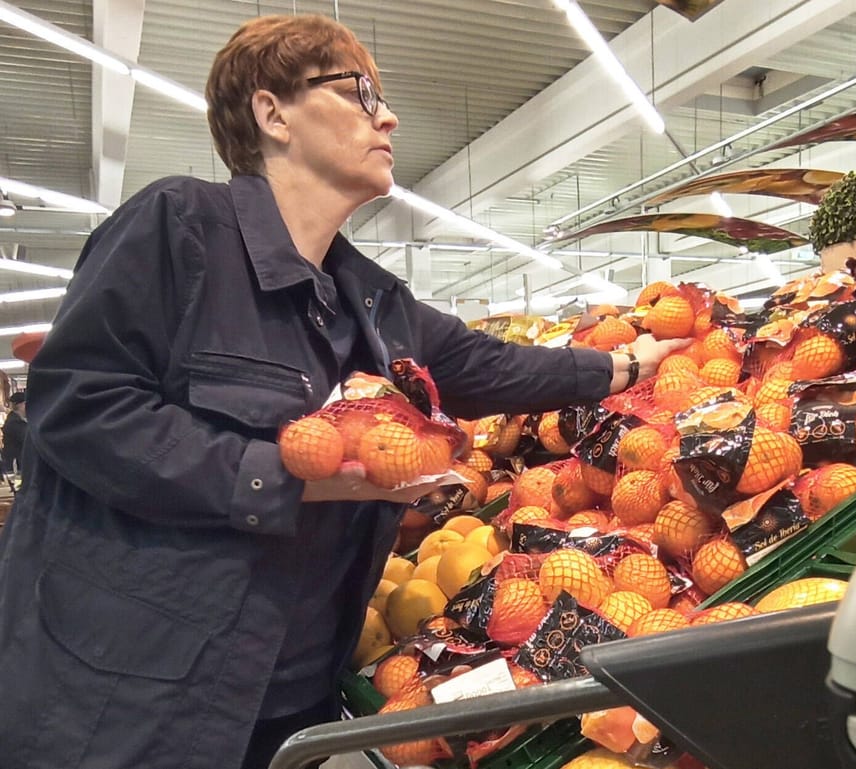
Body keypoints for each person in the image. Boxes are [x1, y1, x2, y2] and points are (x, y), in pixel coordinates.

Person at [0, 15, 685, 769]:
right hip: (139, 692)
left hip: (296, 698)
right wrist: (283, 477)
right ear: (272, 114)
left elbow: (493, 367)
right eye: (359, 92)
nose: (386, 114)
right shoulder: (181, 228)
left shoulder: (372, 301)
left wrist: (629, 365)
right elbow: (80, 409)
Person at [0, 390, 25, 477]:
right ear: (21, 405)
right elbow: (26, 438)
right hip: (15, 466)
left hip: (16, 463)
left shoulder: (15, 419)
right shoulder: (15, 422)